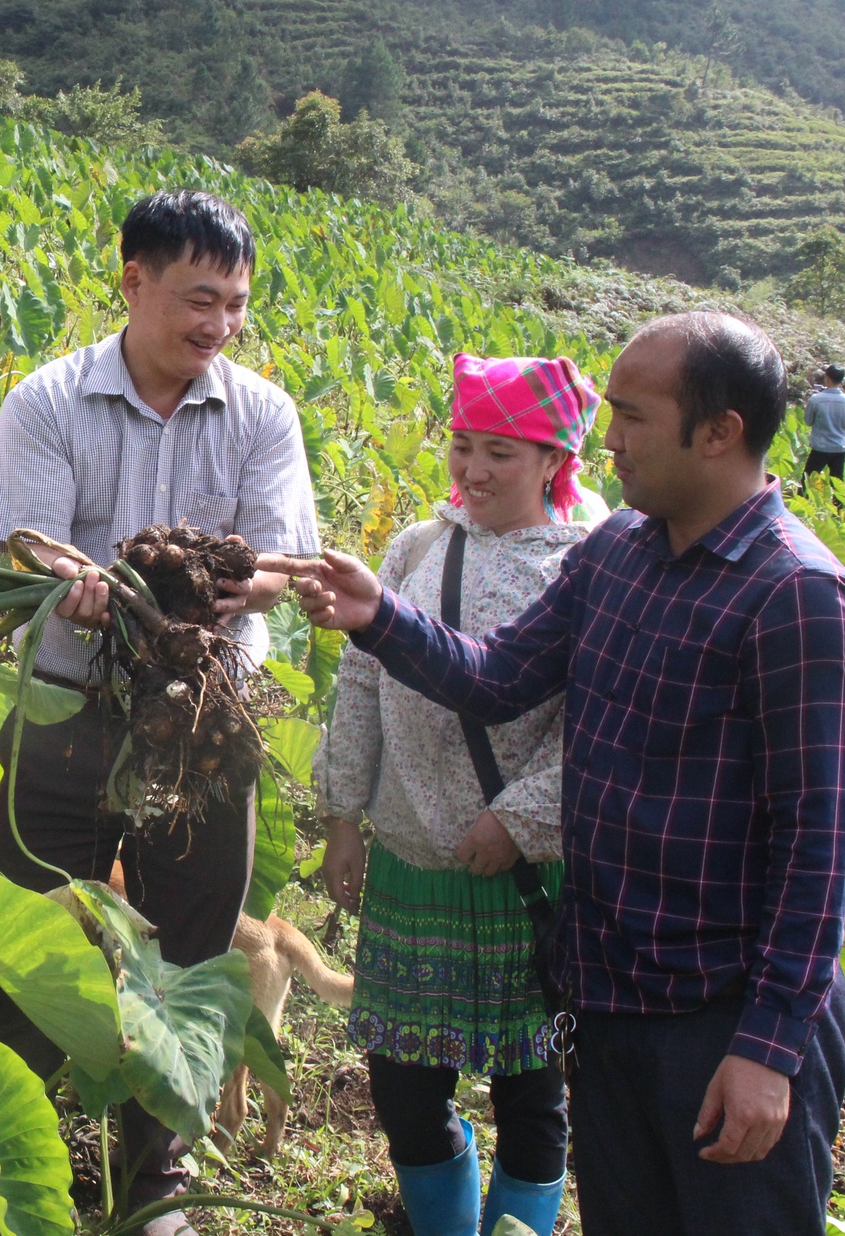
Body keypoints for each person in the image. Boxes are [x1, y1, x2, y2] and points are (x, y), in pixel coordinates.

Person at [279, 313, 845, 1235]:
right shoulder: (621, 553)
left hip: (717, 1009)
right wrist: (378, 617)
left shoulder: (796, 598)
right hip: (606, 986)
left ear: (718, 433)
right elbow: (499, 675)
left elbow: (816, 851)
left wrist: (769, 1048)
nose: (606, 440)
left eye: (633, 417)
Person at [0, 189, 320, 1233]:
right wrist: (80, 575)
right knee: (30, 934)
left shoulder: (260, 413)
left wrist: (201, 585)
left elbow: (274, 564)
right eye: (198, 299)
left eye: (235, 304)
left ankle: (151, 1179)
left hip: (201, 715)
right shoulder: (49, 399)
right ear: (132, 282)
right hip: (69, 708)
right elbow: (22, 539)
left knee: (189, 951)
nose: (217, 325)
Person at [316, 353, 604, 1236]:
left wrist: (522, 821)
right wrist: (343, 819)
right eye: (464, 446)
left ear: (555, 458)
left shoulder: (590, 563)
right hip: (412, 858)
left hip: (531, 879)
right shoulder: (415, 547)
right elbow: (361, 685)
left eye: (502, 453)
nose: (474, 471)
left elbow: (597, 725)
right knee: (404, 1090)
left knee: (533, 1096)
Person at [804, 363, 845, 480]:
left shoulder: (815, 400)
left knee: (807, 482)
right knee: (837, 484)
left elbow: (808, 421)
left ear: (827, 378)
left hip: (820, 447)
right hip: (839, 448)